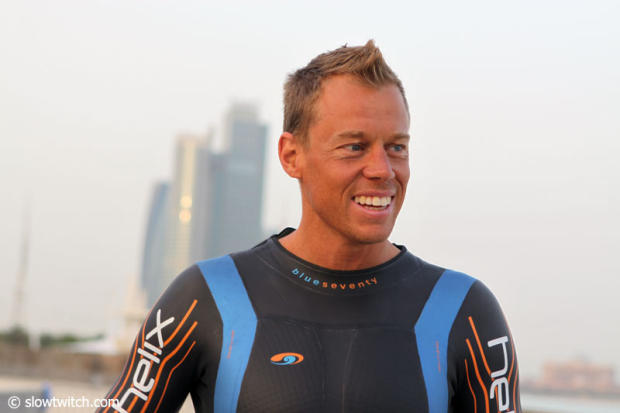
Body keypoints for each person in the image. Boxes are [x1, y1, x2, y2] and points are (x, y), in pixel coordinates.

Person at [98, 40, 521, 413]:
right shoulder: (207, 298)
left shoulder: (464, 312)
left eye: (397, 147)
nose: (383, 170)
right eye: (354, 146)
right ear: (291, 155)